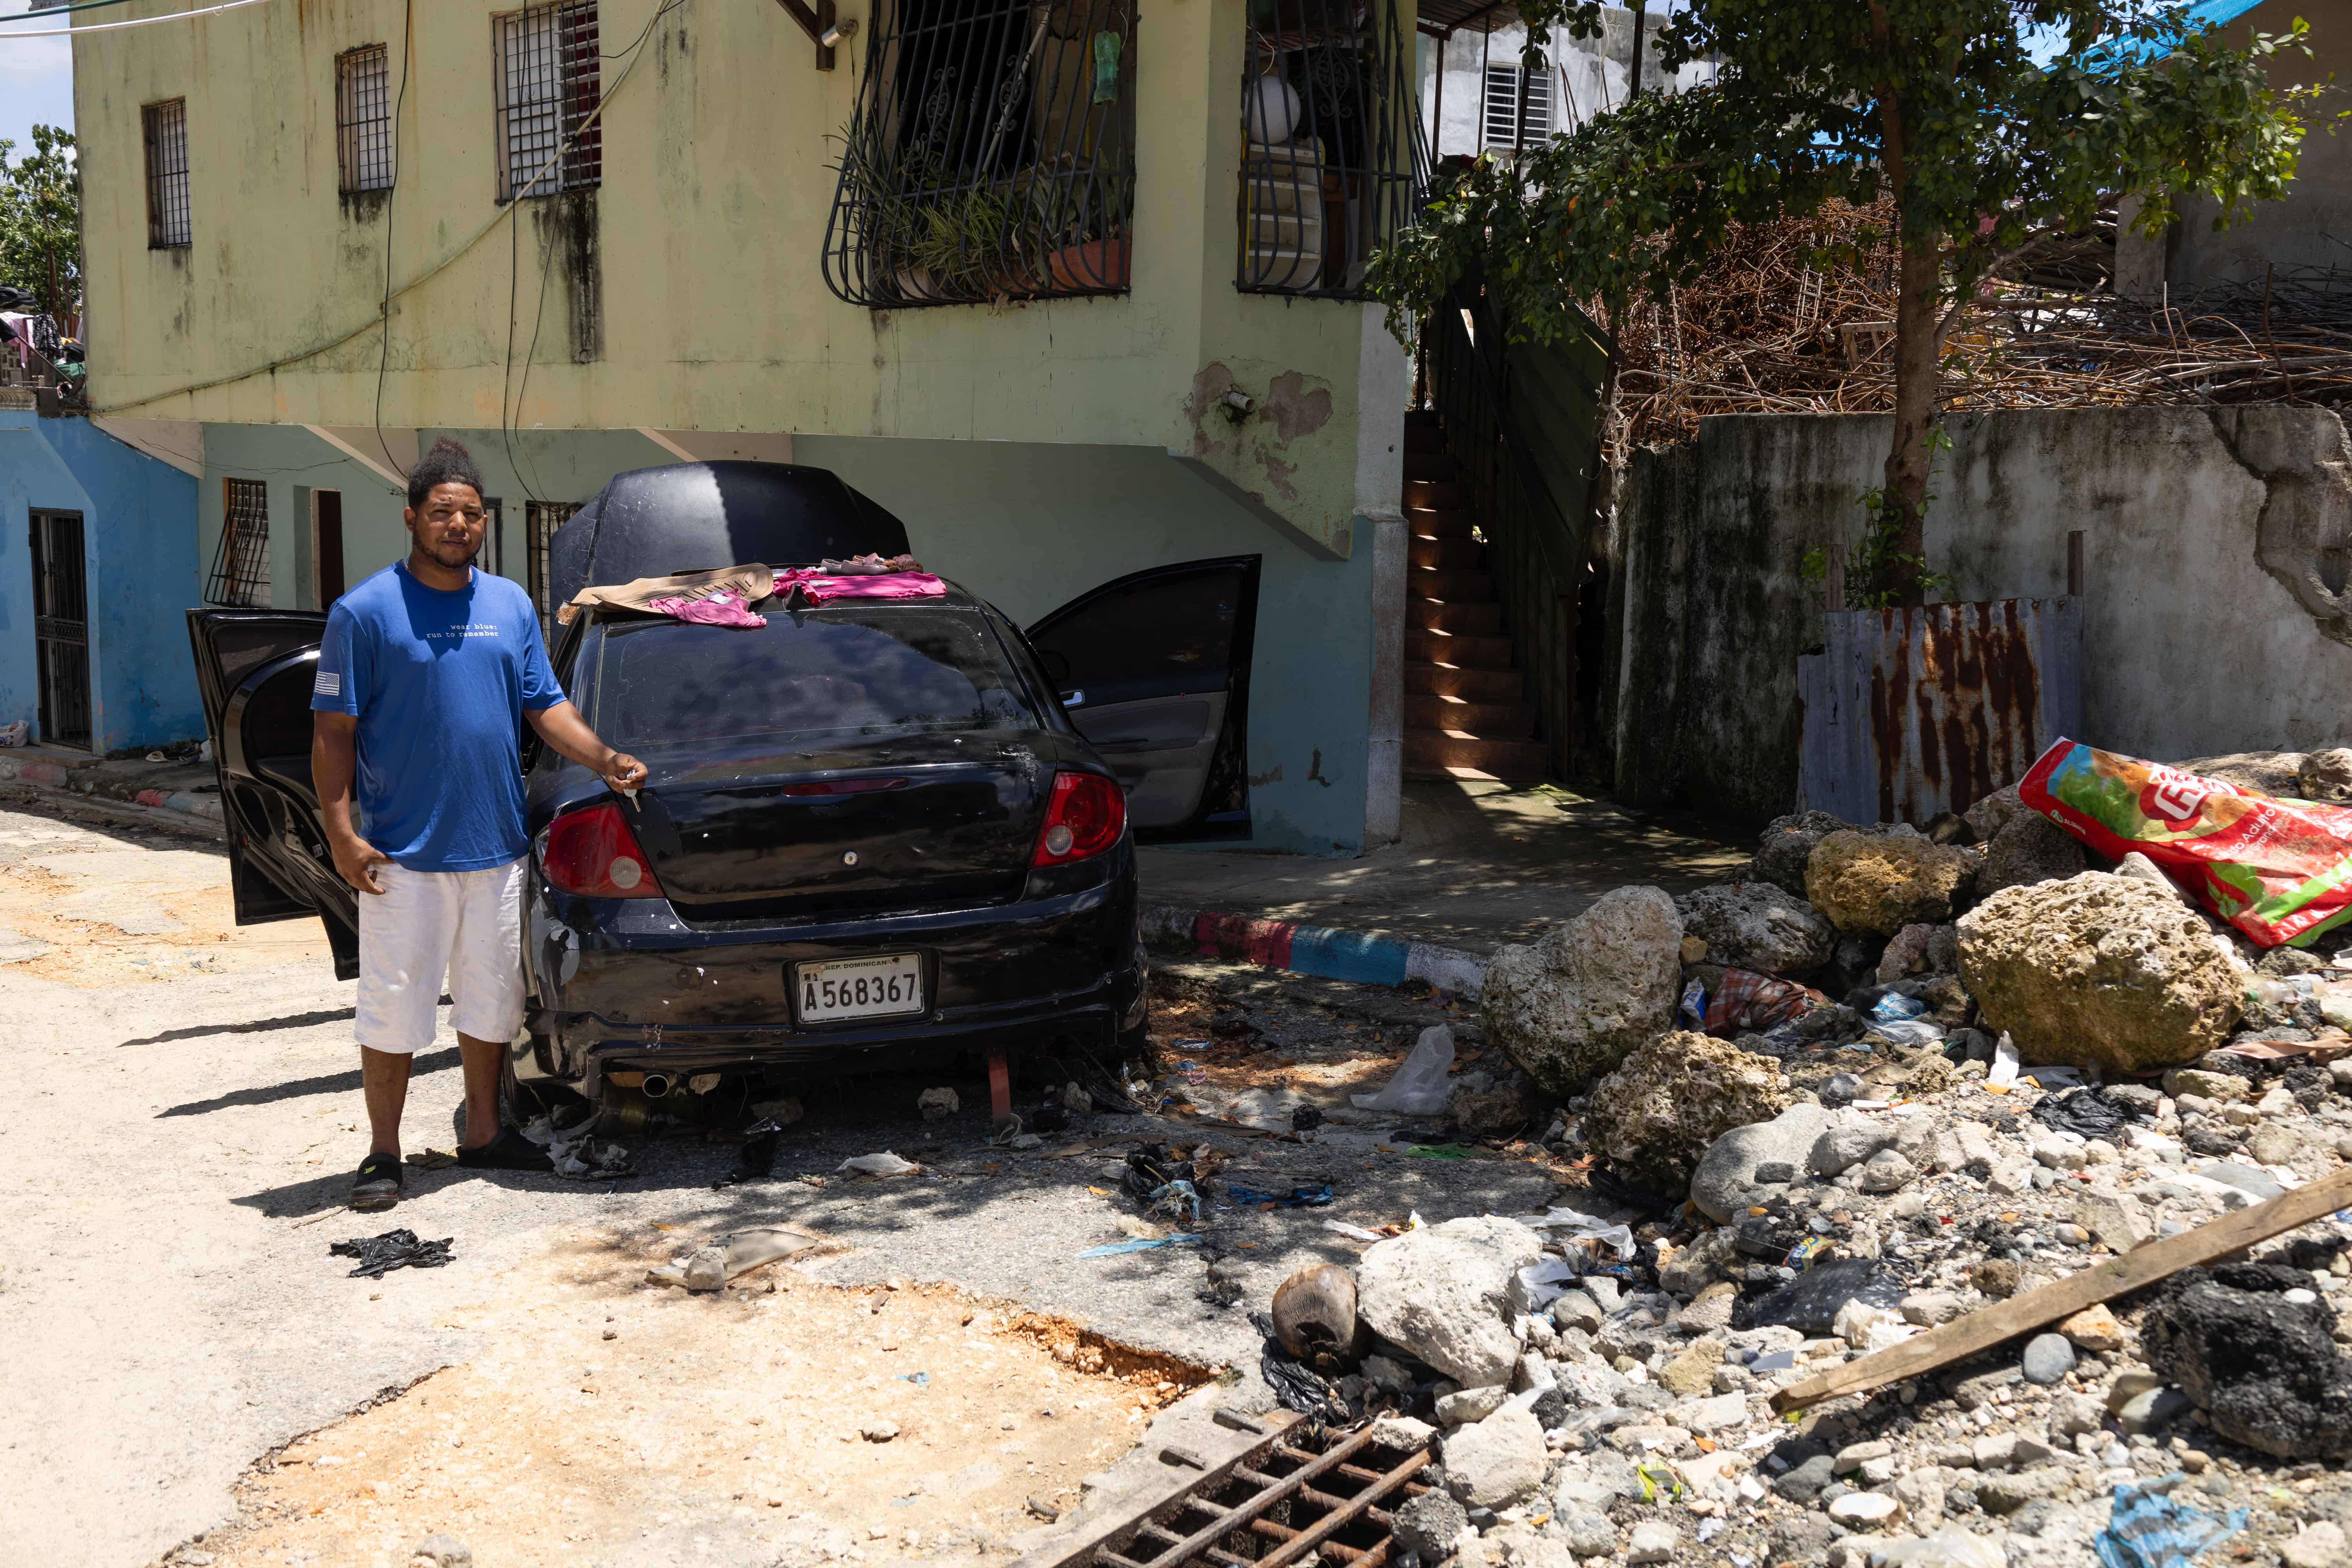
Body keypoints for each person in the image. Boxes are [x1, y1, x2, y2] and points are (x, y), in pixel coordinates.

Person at [312, 436, 645, 1211]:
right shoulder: (363, 612)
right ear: (411, 518)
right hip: (401, 855)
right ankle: (383, 1152)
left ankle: (485, 1131)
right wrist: (339, 828)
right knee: (395, 1006)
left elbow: (546, 704)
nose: (457, 524)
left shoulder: (509, 605)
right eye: (441, 512)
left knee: (490, 999)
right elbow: (333, 731)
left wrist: (603, 757)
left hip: (496, 848)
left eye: (468, 512)